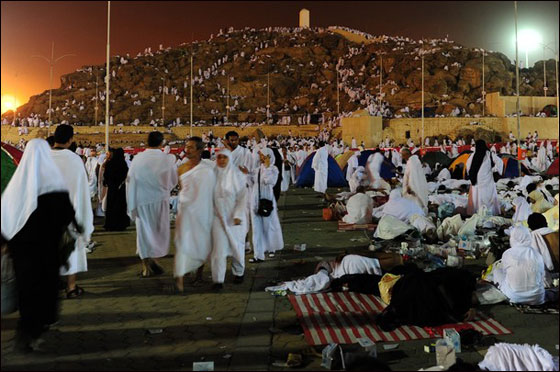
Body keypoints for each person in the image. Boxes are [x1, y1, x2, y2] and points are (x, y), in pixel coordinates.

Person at [1, 139, 76, 353]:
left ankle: (26, 331)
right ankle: (39, 329)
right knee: (46, 289)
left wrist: (5, 243)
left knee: (27, 290)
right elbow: (68, 214)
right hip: (48, 250)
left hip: (23, 252)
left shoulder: (19, 184)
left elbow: (5, 214)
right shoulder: (55, 185)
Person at [50, 124, 94, 299]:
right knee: (72, 250)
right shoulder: (75, 160)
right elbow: (82, 190)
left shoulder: (44, 157)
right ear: (70, 140)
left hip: (46, 215)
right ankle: (71, 287)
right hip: (70, 214)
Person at [126, 132, 178, 278]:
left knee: (143, 234)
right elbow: (173, 180)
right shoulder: (167, 159)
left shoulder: (138, 159)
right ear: (161, 143)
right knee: (157, 233)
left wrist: (131, 202)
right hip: (159, 200)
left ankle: (146, 267)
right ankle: (154, 260)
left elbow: (130, 181)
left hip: (142, 201)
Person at [376, 266, 478, 331]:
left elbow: (416, 276)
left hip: (441, 284)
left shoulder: (412, 315)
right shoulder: (414, 315)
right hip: (445, 288)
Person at [174, 137, 216, 292]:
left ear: (199, 150)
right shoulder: (181, 168)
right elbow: (181, 187)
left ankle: (198, 275)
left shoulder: (209, 167)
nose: (187, 150)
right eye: (186, 147)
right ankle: (180, 277)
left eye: (191, 147)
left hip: (203, 211)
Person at [210, 149, 248, 288]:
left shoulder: (237, 175)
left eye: (224, 157)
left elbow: (242, 197)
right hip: (217, 217)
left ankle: (239, 272)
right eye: (219, 157)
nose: (221, 160)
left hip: (234, 218)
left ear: (229, 159)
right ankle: (218, 279)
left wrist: (238, 214)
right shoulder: (212, 175)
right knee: (218, 250)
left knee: (237, 247)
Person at [491, 225, 545, 305]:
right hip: (538, 298)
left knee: (497, 271)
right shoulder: (537, 254)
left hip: (515, 297)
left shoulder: (508, 253)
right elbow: (541, 274)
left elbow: (505, 272)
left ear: (513, 238)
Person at [249, 148, 284, 262]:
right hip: (255, 200)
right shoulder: (256, 170)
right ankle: (258, 255)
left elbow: (269, 181)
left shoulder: (274, 169)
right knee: (256, 229)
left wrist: (267, 168)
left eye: (265, 156)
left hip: (267, 199)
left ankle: (271, 248)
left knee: (269, 226)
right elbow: (250, 182)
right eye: (262, 156)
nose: (263, 158)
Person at [466, 139, 500, 216]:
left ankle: (478, 212)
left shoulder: (473, 155)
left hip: (477, 181)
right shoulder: (489, 154)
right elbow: (499, 162)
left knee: (477, 197)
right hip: (488, 181)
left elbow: (468, 167)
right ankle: (490, 212)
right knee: (488, 197)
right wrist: (494, 169)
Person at [103, 148, 130, 231]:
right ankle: (121, 224)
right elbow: (126, 174)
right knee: (120, 206)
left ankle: (110, 224)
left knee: (111, 205)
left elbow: (106, 175)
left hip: (112, 188)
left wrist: (109, 183)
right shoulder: (123, 164)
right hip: (120, 188)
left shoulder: (110, 163)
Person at [528, 213, 558, 286]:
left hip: (546, 278)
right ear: (546, 223)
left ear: (530, 227)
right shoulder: (556, 235)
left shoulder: (529, 242)